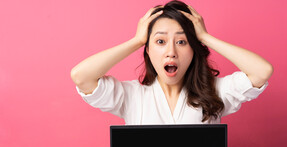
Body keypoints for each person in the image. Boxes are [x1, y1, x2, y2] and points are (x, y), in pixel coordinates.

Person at [71, 0, 273, 124]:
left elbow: (262, 71)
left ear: (194, 49)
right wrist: (137, 41)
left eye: (182, 41)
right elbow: (81, 76)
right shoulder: (131, 95)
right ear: (148, 50)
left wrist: (204, 37)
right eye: (160, 41)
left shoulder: (216, 92)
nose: (171, 52)